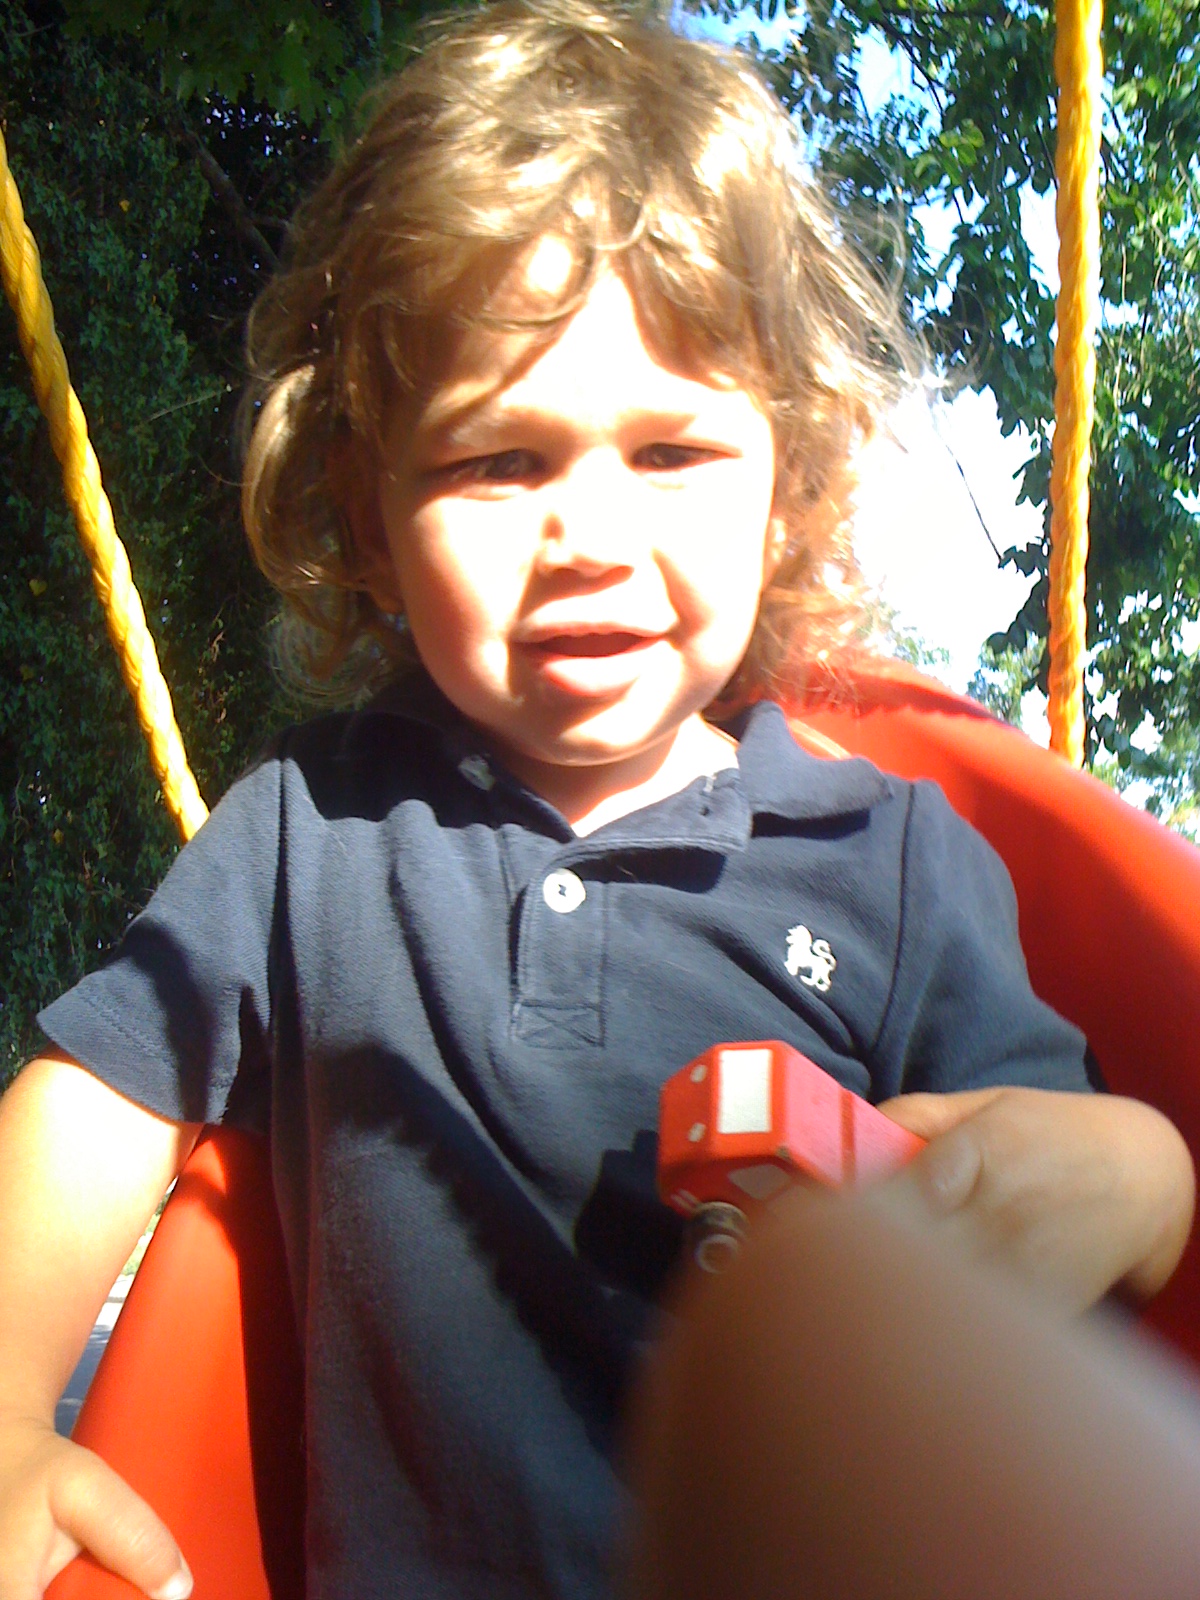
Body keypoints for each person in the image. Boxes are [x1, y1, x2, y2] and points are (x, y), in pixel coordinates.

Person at [0, 3, 1192, 1597]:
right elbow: (93, 1105)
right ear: (368, 513)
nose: (588, 539)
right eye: (497, 463)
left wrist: (1150, 1177)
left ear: (788, 488)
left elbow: (1047, 1190)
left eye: (672, 453)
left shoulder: (888, 862)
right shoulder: (308, 830)